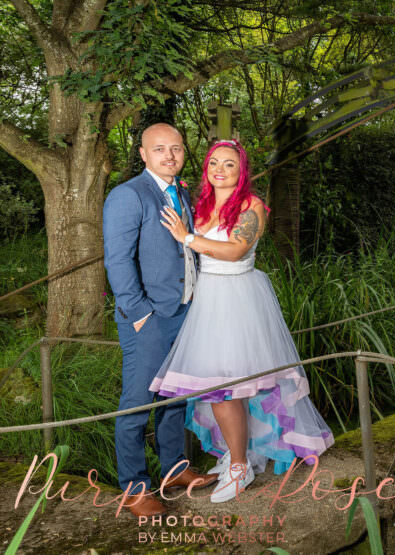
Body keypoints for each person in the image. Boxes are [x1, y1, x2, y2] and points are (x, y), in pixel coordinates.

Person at [150, 139, 334, 503]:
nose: (219, 169)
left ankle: (239, 468)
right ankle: (237, 456)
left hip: (237, 299)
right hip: (207, 299)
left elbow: (235, 251)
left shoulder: (251, 206)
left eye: (229, 164)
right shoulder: (199, 204)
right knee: (214, 388)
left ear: (242, 171)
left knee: (226, 387)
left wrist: (186, 237)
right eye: (213, 163)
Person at [102, 123, 218, 518]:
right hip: (149, 318)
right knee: (137, 403)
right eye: (160, 149)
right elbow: (117, 261)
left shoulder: (182, 191)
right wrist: (139, 315)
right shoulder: (127, 195)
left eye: (176, 148)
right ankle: (134, 489)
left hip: (185, 312)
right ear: (143, 154)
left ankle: (175, 470)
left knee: (176, 398)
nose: (170, 156)